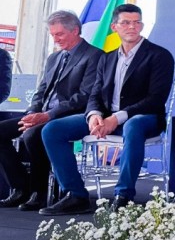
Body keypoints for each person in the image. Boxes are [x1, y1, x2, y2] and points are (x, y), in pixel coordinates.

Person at [40, 4, 174, 215]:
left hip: (144, 119)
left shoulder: (159, 55)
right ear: (114, 27)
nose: (132, 27)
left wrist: (116, 118)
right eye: (126, 22)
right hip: (107, 118)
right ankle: (75, 195)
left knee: (132, 125)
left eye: (137, 22)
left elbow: (155, 100)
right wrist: (94, 115)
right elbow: (95, 94)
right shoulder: (107, 57)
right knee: (52, 130)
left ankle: (123, 195)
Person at [0, 11, 101, 211]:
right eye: (53, 34)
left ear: (75, 31)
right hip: (42, 114)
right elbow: (41, 90)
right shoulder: (54, 57)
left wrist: (47, 115)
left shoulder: (95, 56)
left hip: (69, 116)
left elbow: (84, 96)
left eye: (60, 34)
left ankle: (38, 193)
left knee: (32, 134)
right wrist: (33, 112)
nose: (56, 39)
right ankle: (21, 187)